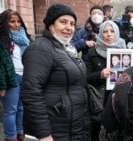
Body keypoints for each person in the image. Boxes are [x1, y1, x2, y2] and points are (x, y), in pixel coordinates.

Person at [20, 3, 90, 141]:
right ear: (51, 24)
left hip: (74, 126)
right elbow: (31, 92)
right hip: (56, 129)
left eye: (72, 23)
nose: (69, 27)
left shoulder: (67, 48)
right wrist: (44, 134)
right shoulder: (40, 49)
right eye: (63, 22)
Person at [86, 20, 126, 141]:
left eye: (112, 31)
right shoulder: (92, 52)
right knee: (99, 132)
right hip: (101, 101)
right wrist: (100, 75)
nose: (109, 34)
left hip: (120, 99)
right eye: (105, 31)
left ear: (117, 33)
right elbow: (86, 77)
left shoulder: (125, 51)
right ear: (100, 34)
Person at [0, 9, 30, 141]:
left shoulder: (25, 37)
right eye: (12, 21)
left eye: (18, 21)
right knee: (10, 110)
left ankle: (20, 133)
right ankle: (11, 137)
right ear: (4, 23)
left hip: (25, 76)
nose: (16, 24)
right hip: (10, 79)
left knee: (21, 108)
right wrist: (1, 84)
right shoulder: (2, 40)